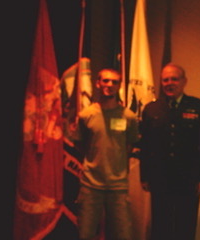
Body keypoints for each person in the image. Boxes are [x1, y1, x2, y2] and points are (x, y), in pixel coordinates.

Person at [140, 63, 200, 240]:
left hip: (188, 178)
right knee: (160, 225)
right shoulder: (151, 109)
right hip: (160, 178)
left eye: (174, 79)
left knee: (185, 225)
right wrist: (144, 176)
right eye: (165, 80)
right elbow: (146, 146)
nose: (169, 83)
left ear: (184, 81)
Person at [73, 68, 139, 240]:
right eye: (105, 81)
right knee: (85, 234)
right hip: (90, 185)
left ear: (119, 86)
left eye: (114, 82)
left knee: (124, 235)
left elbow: (130, 144)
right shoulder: (86, 115)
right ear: (98, 83)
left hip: (118, 186)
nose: (109, 85)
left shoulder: (128, 117)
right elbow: (80, 143)